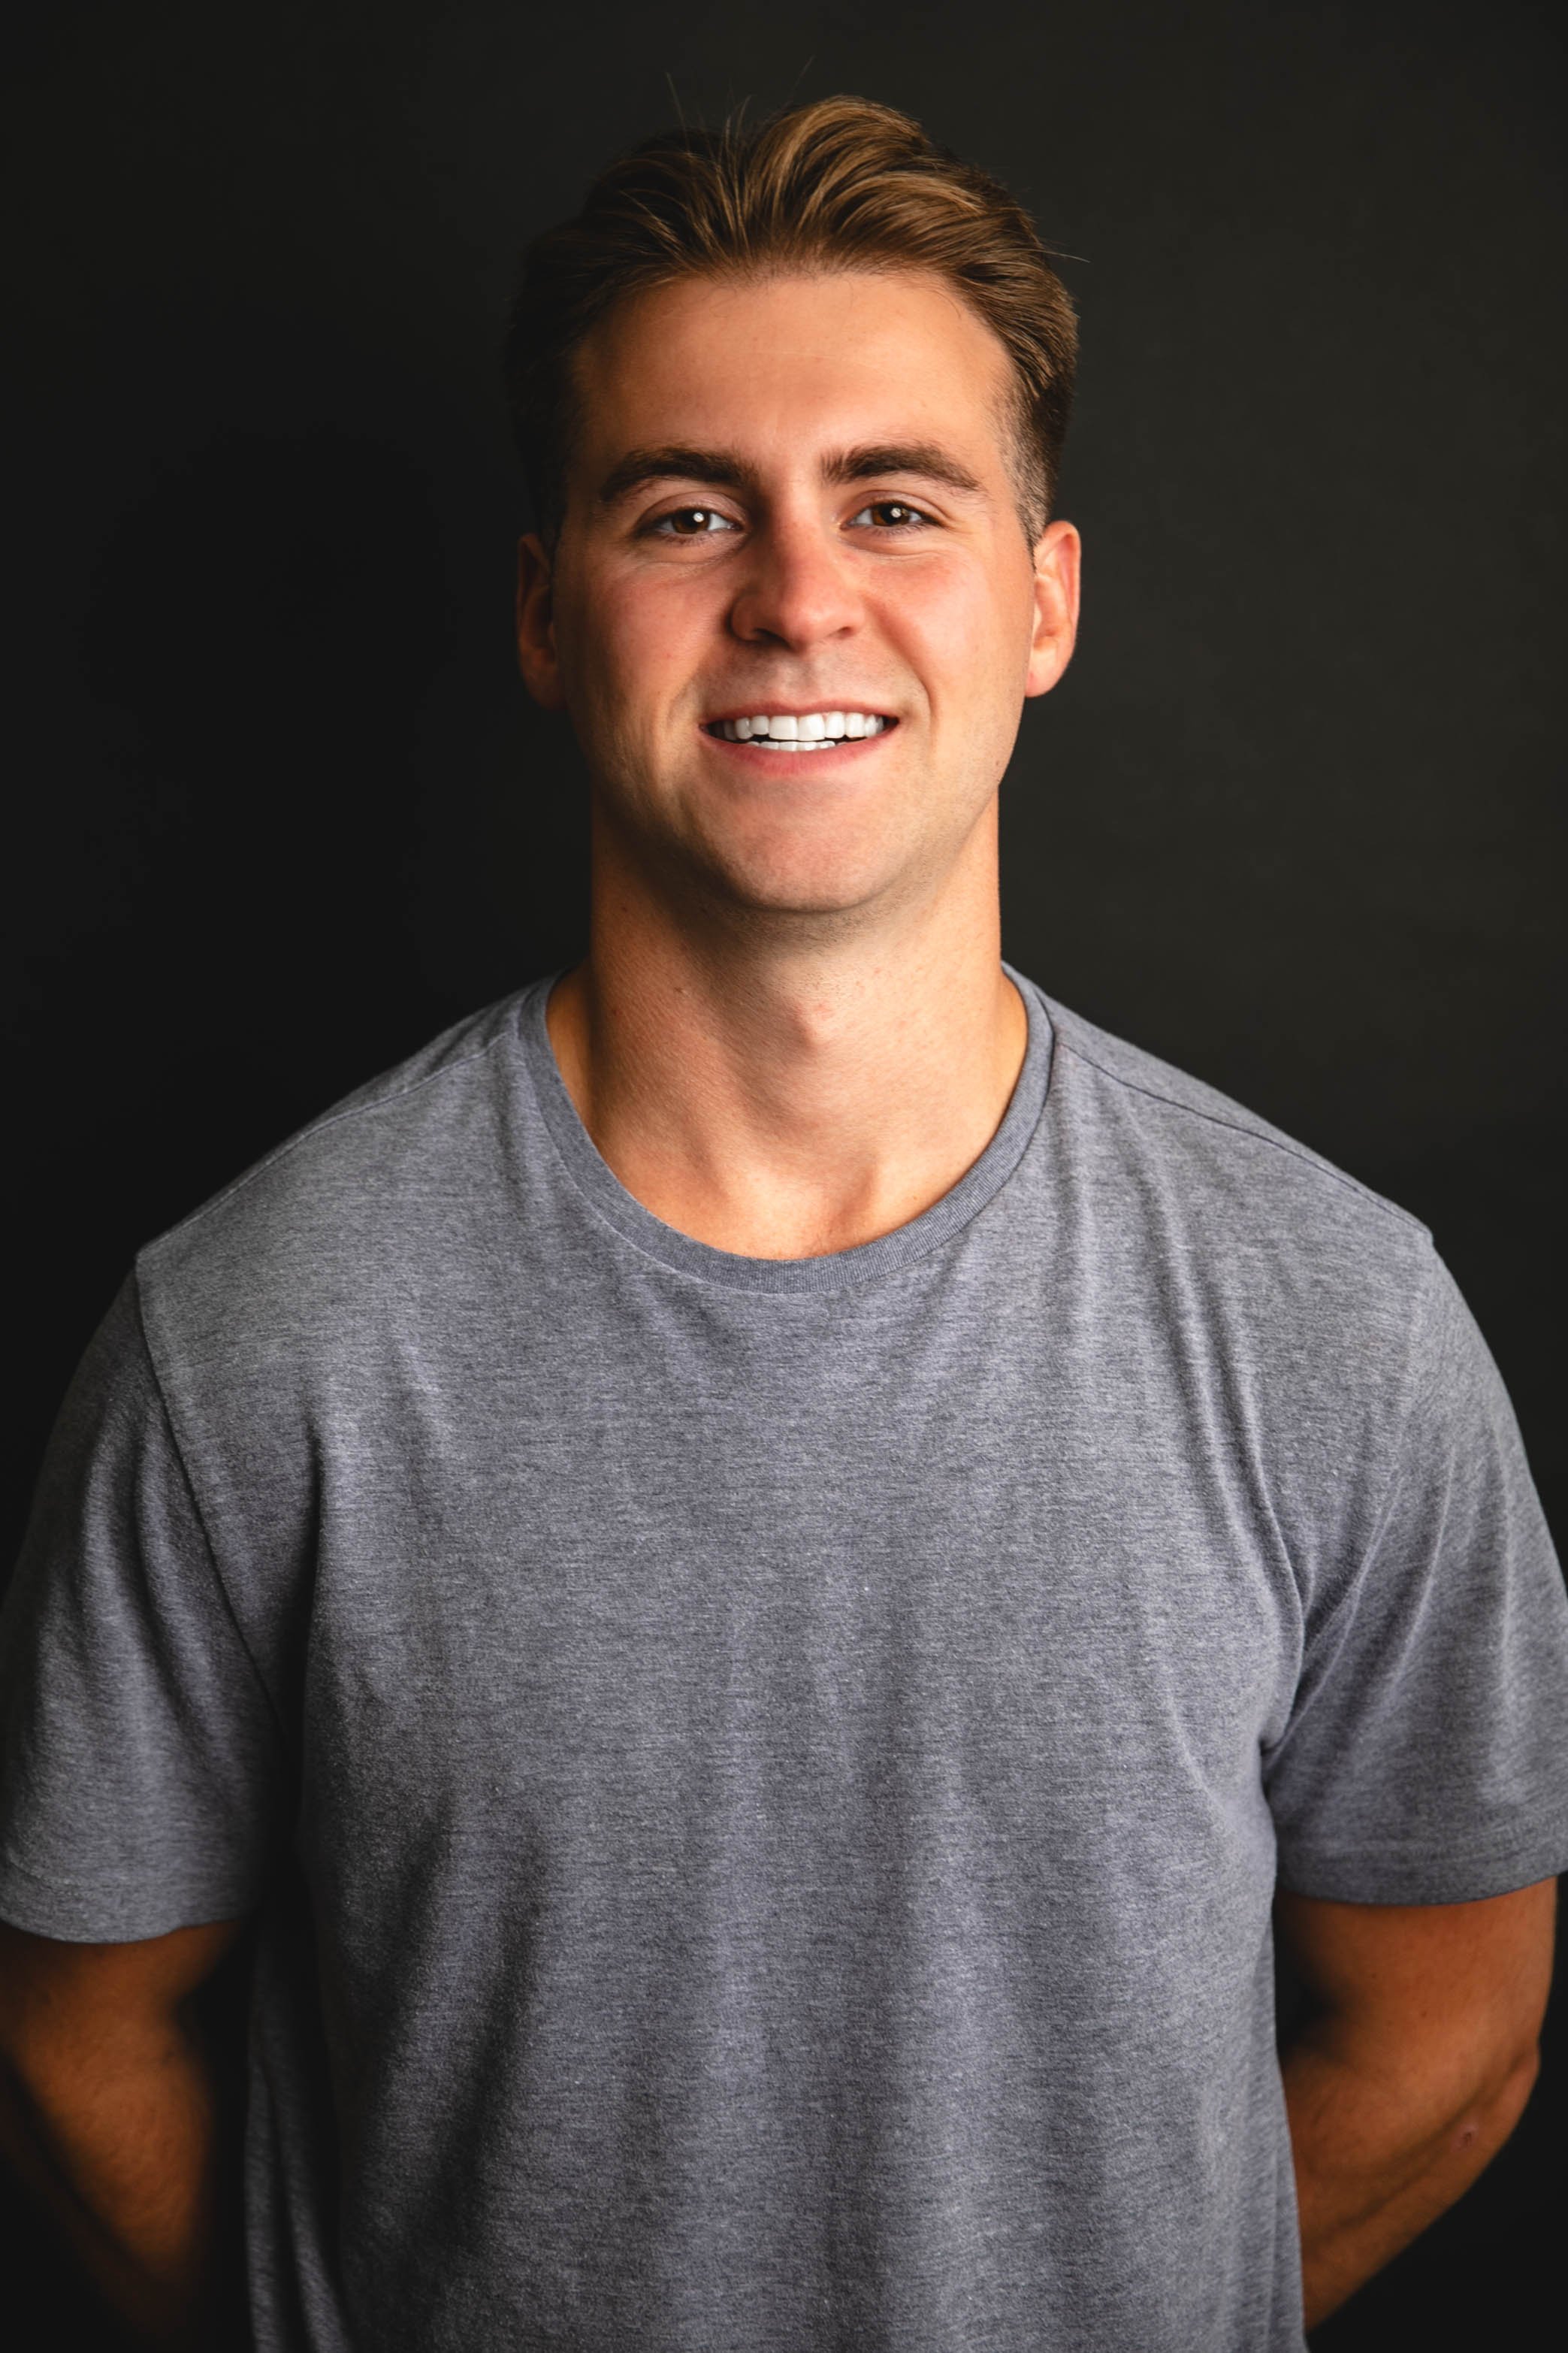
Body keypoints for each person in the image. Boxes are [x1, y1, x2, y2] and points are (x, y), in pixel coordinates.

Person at [1, 93, 1564, 2353]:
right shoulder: (257, 1332)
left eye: (897, 502)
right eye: (685, 506)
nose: (798, 595)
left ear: (1044, 601)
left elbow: (1456, 2029)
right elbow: (74, 2031)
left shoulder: (1333, 1317)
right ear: (550, 611)